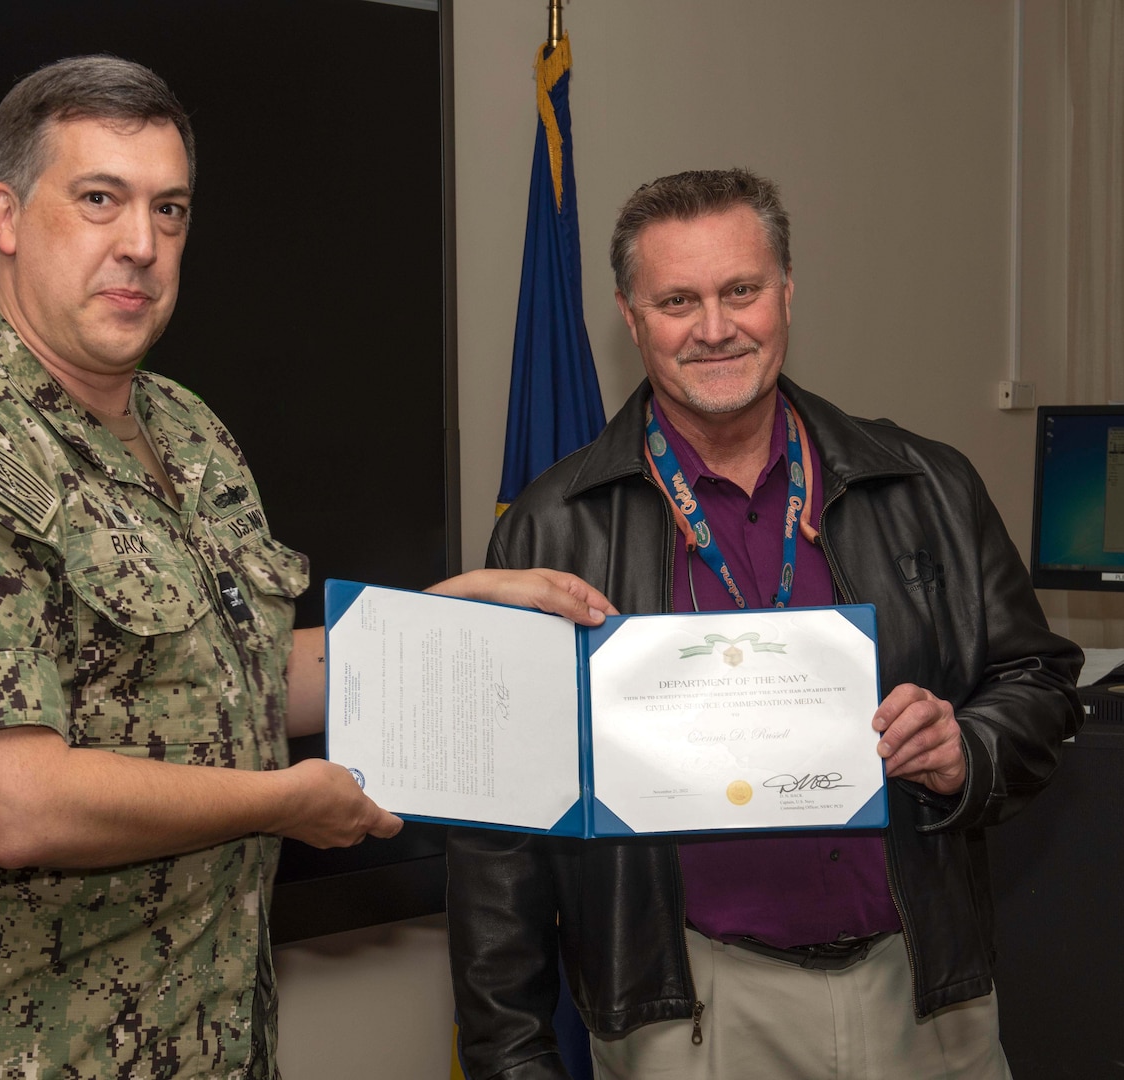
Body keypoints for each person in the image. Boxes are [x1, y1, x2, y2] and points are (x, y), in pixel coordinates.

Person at [0, 55, 615, 1080]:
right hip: (11, 1052)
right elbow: (12, 801)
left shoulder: (185, 429)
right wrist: (279, 801)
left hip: (206, 1041)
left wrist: (437, 624)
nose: (141, 246)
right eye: (100, 199)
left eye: (170, 210)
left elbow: (234, 681)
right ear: (7, 214)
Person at [446, 168, 1084, 1080]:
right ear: (631, 318)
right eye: (678, 300)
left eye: (741, 290)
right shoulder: (553, 527)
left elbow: (1039, 679)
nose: (715, 327)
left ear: (785, 293)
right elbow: (500, 831)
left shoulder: (927, 484)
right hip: (691, 1014)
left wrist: (967, 748)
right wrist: (513, 1057)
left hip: (926, 995)